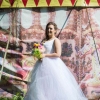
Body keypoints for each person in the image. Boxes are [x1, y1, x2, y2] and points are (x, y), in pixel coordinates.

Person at [24, 22, 87, 100]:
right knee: (42, 85)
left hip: (53, 65)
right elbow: (41, 50)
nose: (49, 30)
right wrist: (38, 54)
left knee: (54, 85)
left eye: (51, 28)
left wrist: (45, 55)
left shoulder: (55, 40)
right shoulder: (44, 40)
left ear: (54, 31)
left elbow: (58, 54)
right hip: (41, 65)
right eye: (48, 28)